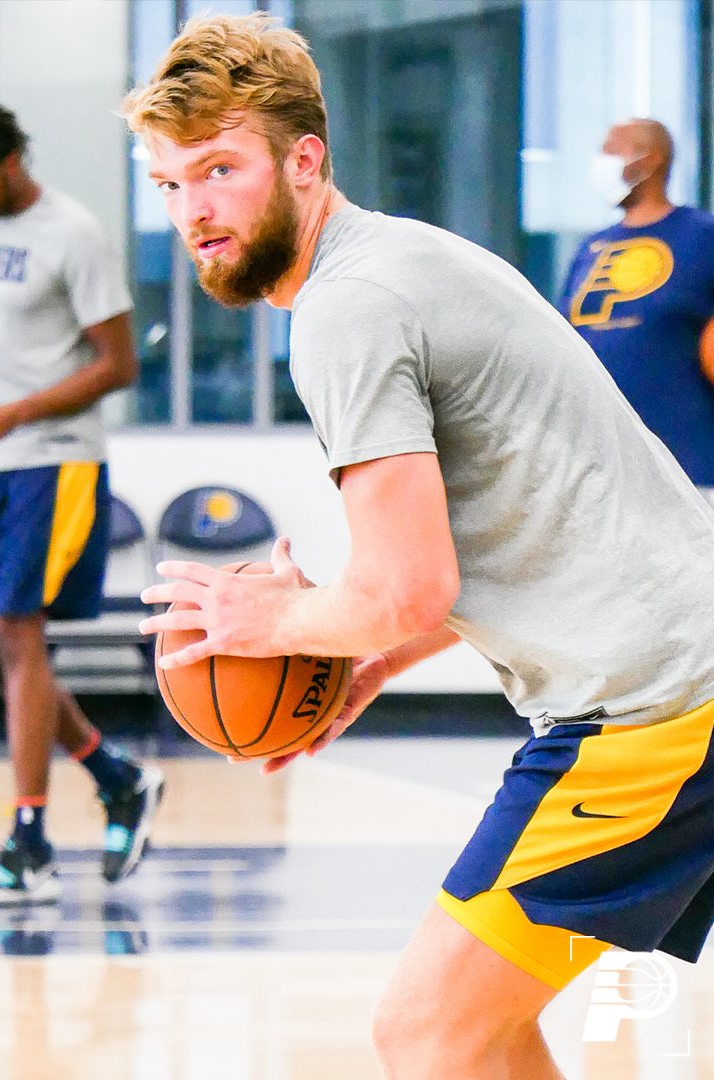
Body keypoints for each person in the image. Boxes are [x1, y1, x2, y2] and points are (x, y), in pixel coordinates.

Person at [121, 14, 714, 1079]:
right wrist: (368, 659)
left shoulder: (346, 308)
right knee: (481, 1030)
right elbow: (503, 538)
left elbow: (407, 587)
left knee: (429, 1032)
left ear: (304, 161)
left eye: (219, 169)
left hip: (656, 708)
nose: (193, 210)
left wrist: (276, 619)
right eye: (169, 183)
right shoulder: (403, 259)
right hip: (677, 680)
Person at [0, 100, 164, 907]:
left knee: (18, 636)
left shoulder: (74, 234)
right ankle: (117, 778)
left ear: (13, 164)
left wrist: (15, 414)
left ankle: (28, 846)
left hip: (56, 461)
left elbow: (119, 364)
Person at [560, 119, 714, 486]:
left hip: (687, 463)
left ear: (651, 159)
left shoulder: (702, 236)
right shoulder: (591, 249)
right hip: (600, 467)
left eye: (613, 150)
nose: (602, 161)